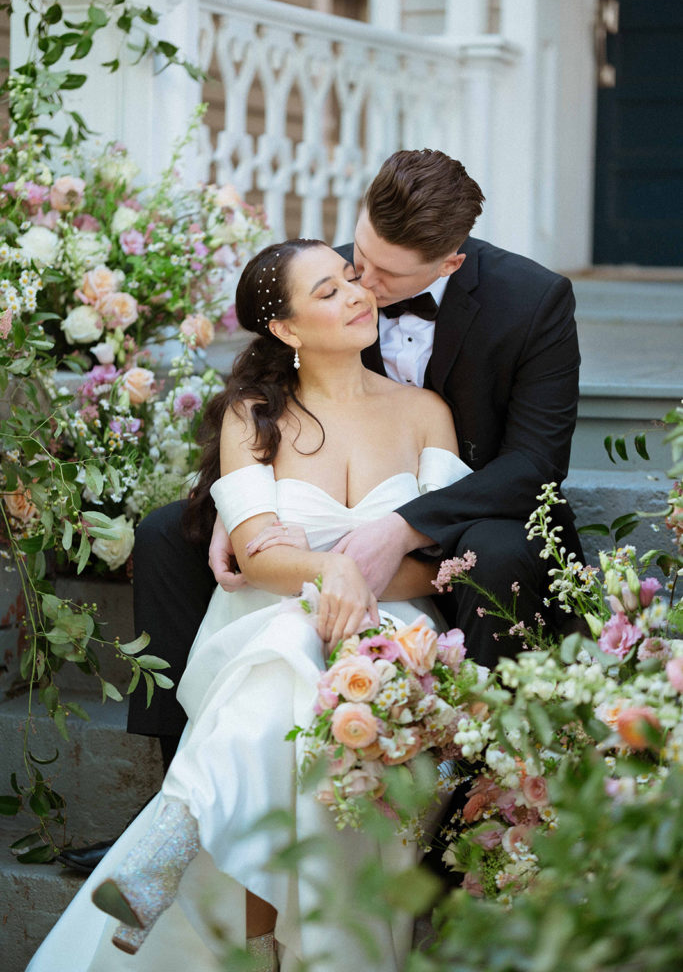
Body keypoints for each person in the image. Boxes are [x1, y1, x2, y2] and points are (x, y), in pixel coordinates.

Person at [59, 148, 582, 872]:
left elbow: (532, 466)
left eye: (383, 275)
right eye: (355, 256)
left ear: (450, 265)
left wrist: (405, 527)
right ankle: (179, 802)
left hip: (471, 508)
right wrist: (236, 501)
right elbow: (268, 384)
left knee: (493, 554)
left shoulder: (535, 301)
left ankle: (465, 820)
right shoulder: (331, 281)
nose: (361, 285)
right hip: (323, 513)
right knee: (163, 532)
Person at [28, 238, 472, 972]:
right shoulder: (252, 414)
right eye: (327, 292)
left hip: (397, 629)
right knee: (288, 656)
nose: (357, 294)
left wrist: (359, 584)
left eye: (350, 279)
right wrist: (335, 569)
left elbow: (441, 563)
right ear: (288, 330)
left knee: (294, 692)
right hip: (267, 614)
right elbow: (259, 558)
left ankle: (181, 827)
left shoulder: (426, 412)